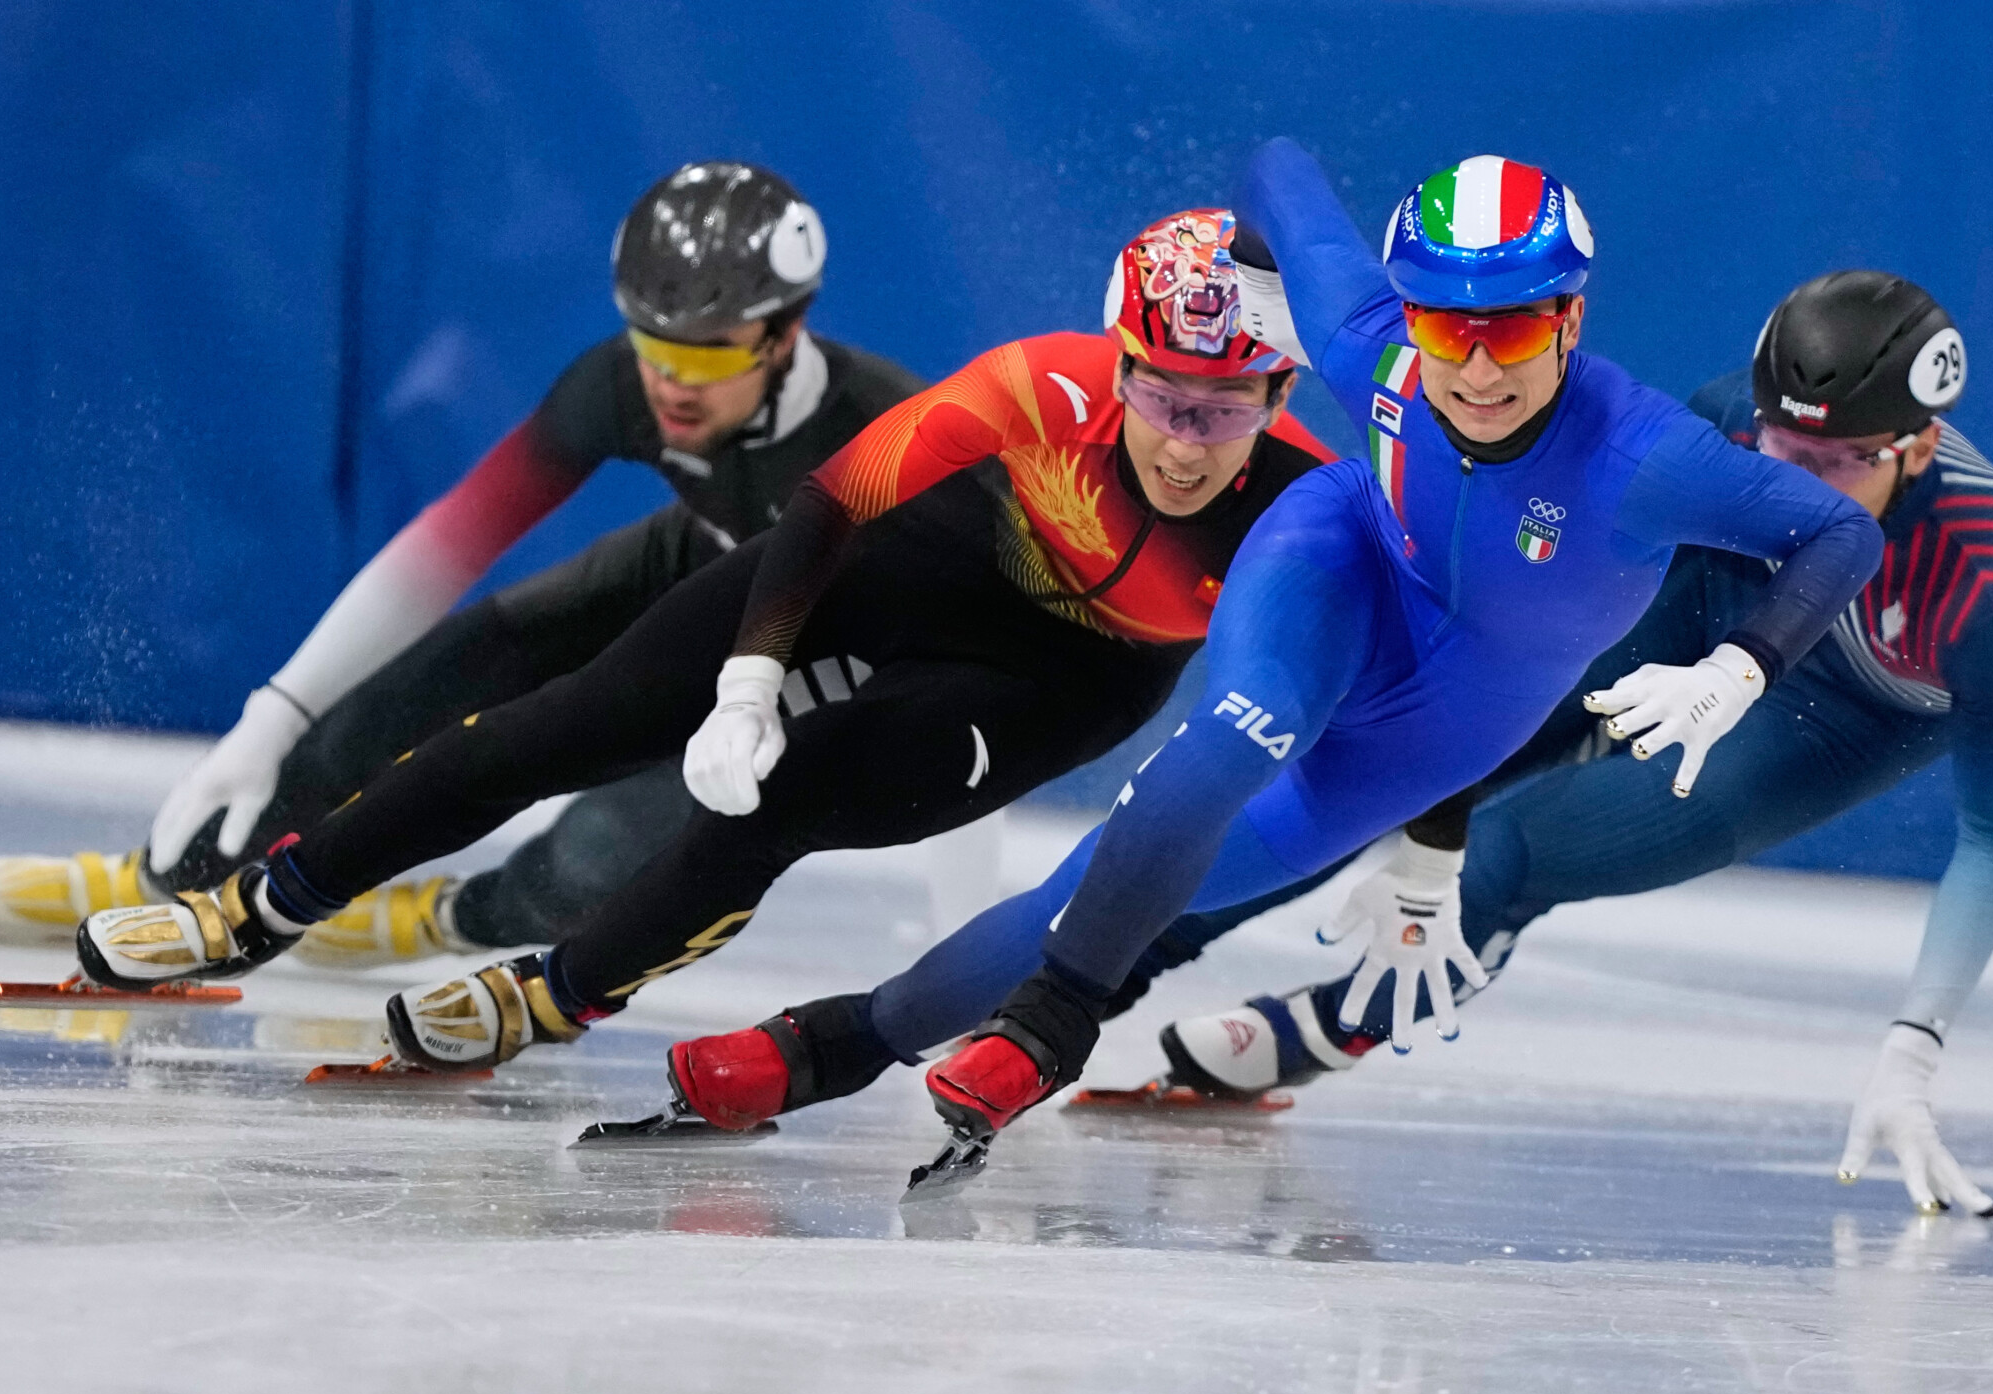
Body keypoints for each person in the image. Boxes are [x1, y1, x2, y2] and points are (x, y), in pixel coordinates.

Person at [655, 139, 1887, 1193]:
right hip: (1339, 561)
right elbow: (1279, 166)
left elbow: (1840, 529)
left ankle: (847, 1042)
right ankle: (1017, 1029)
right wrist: (1240, 265)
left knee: (1104, 892)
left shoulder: (1648, 459)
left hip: (1457, 715)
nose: (1472, 367)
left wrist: (1739, 667)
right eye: (1446, 324)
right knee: (1220, 751)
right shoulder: (1372, 347)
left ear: (1569, 318)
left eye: (1510, 328)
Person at [69, 210, 1335, 1076]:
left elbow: (1412, 693)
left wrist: (1415, 867)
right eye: (1162, 395)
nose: (1183, 440)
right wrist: (747, 681)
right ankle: (261, 905)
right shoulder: (1040, 383)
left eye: (1223, 409)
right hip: (916, 566)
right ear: (1116, 369)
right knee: (560, 725)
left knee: (777, 805)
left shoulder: (1310, 505)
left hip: (1061, 678)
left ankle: (551, 993)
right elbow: (834, 505)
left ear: (1279, 399)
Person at [1138, 271, 1993, 1219]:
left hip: (1834, 714)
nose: (1798, 485)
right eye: (1785, 449)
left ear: (1923, 446)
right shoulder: (1726, 417)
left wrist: (1914, 1048)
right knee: (1388, 757)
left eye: (1842, 465)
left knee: (1512, 849)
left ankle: (1331, 1028)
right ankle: (1110, 958)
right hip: (1712, 606)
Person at [0, 162, 921, 966]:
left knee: (597, 858)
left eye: (707, 359)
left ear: (786, 332)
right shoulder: (616, 385)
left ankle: (449, 920)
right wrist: (275, 713)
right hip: (706, 562)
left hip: (830, 648)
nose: (670, 383)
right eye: (650, 344)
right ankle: (166, 879)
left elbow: (971, 666)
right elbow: (444, 548)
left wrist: (960, 952)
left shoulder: (894, 440)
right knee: (442, 672)